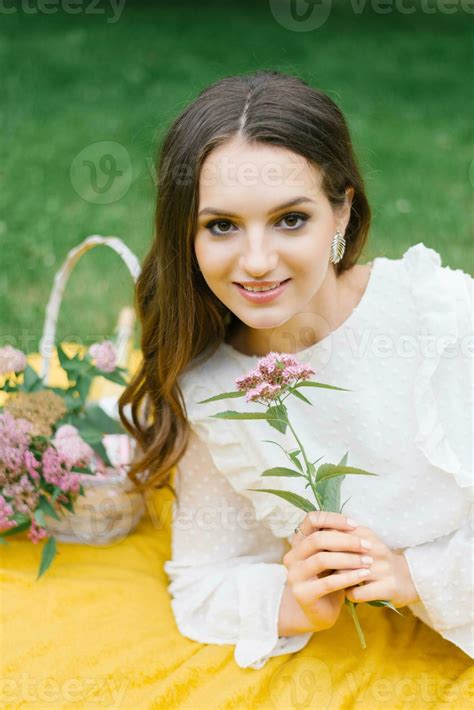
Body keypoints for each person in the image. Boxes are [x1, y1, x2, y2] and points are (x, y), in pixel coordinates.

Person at [118, 70, 473, 670]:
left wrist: (415, 574)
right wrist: (295, 600)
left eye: (290, 219)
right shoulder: (216, 388)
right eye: (222, 225)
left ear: (340, 214)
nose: (256, 262)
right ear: (189, 236)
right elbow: (203, 580)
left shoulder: (439, 316)